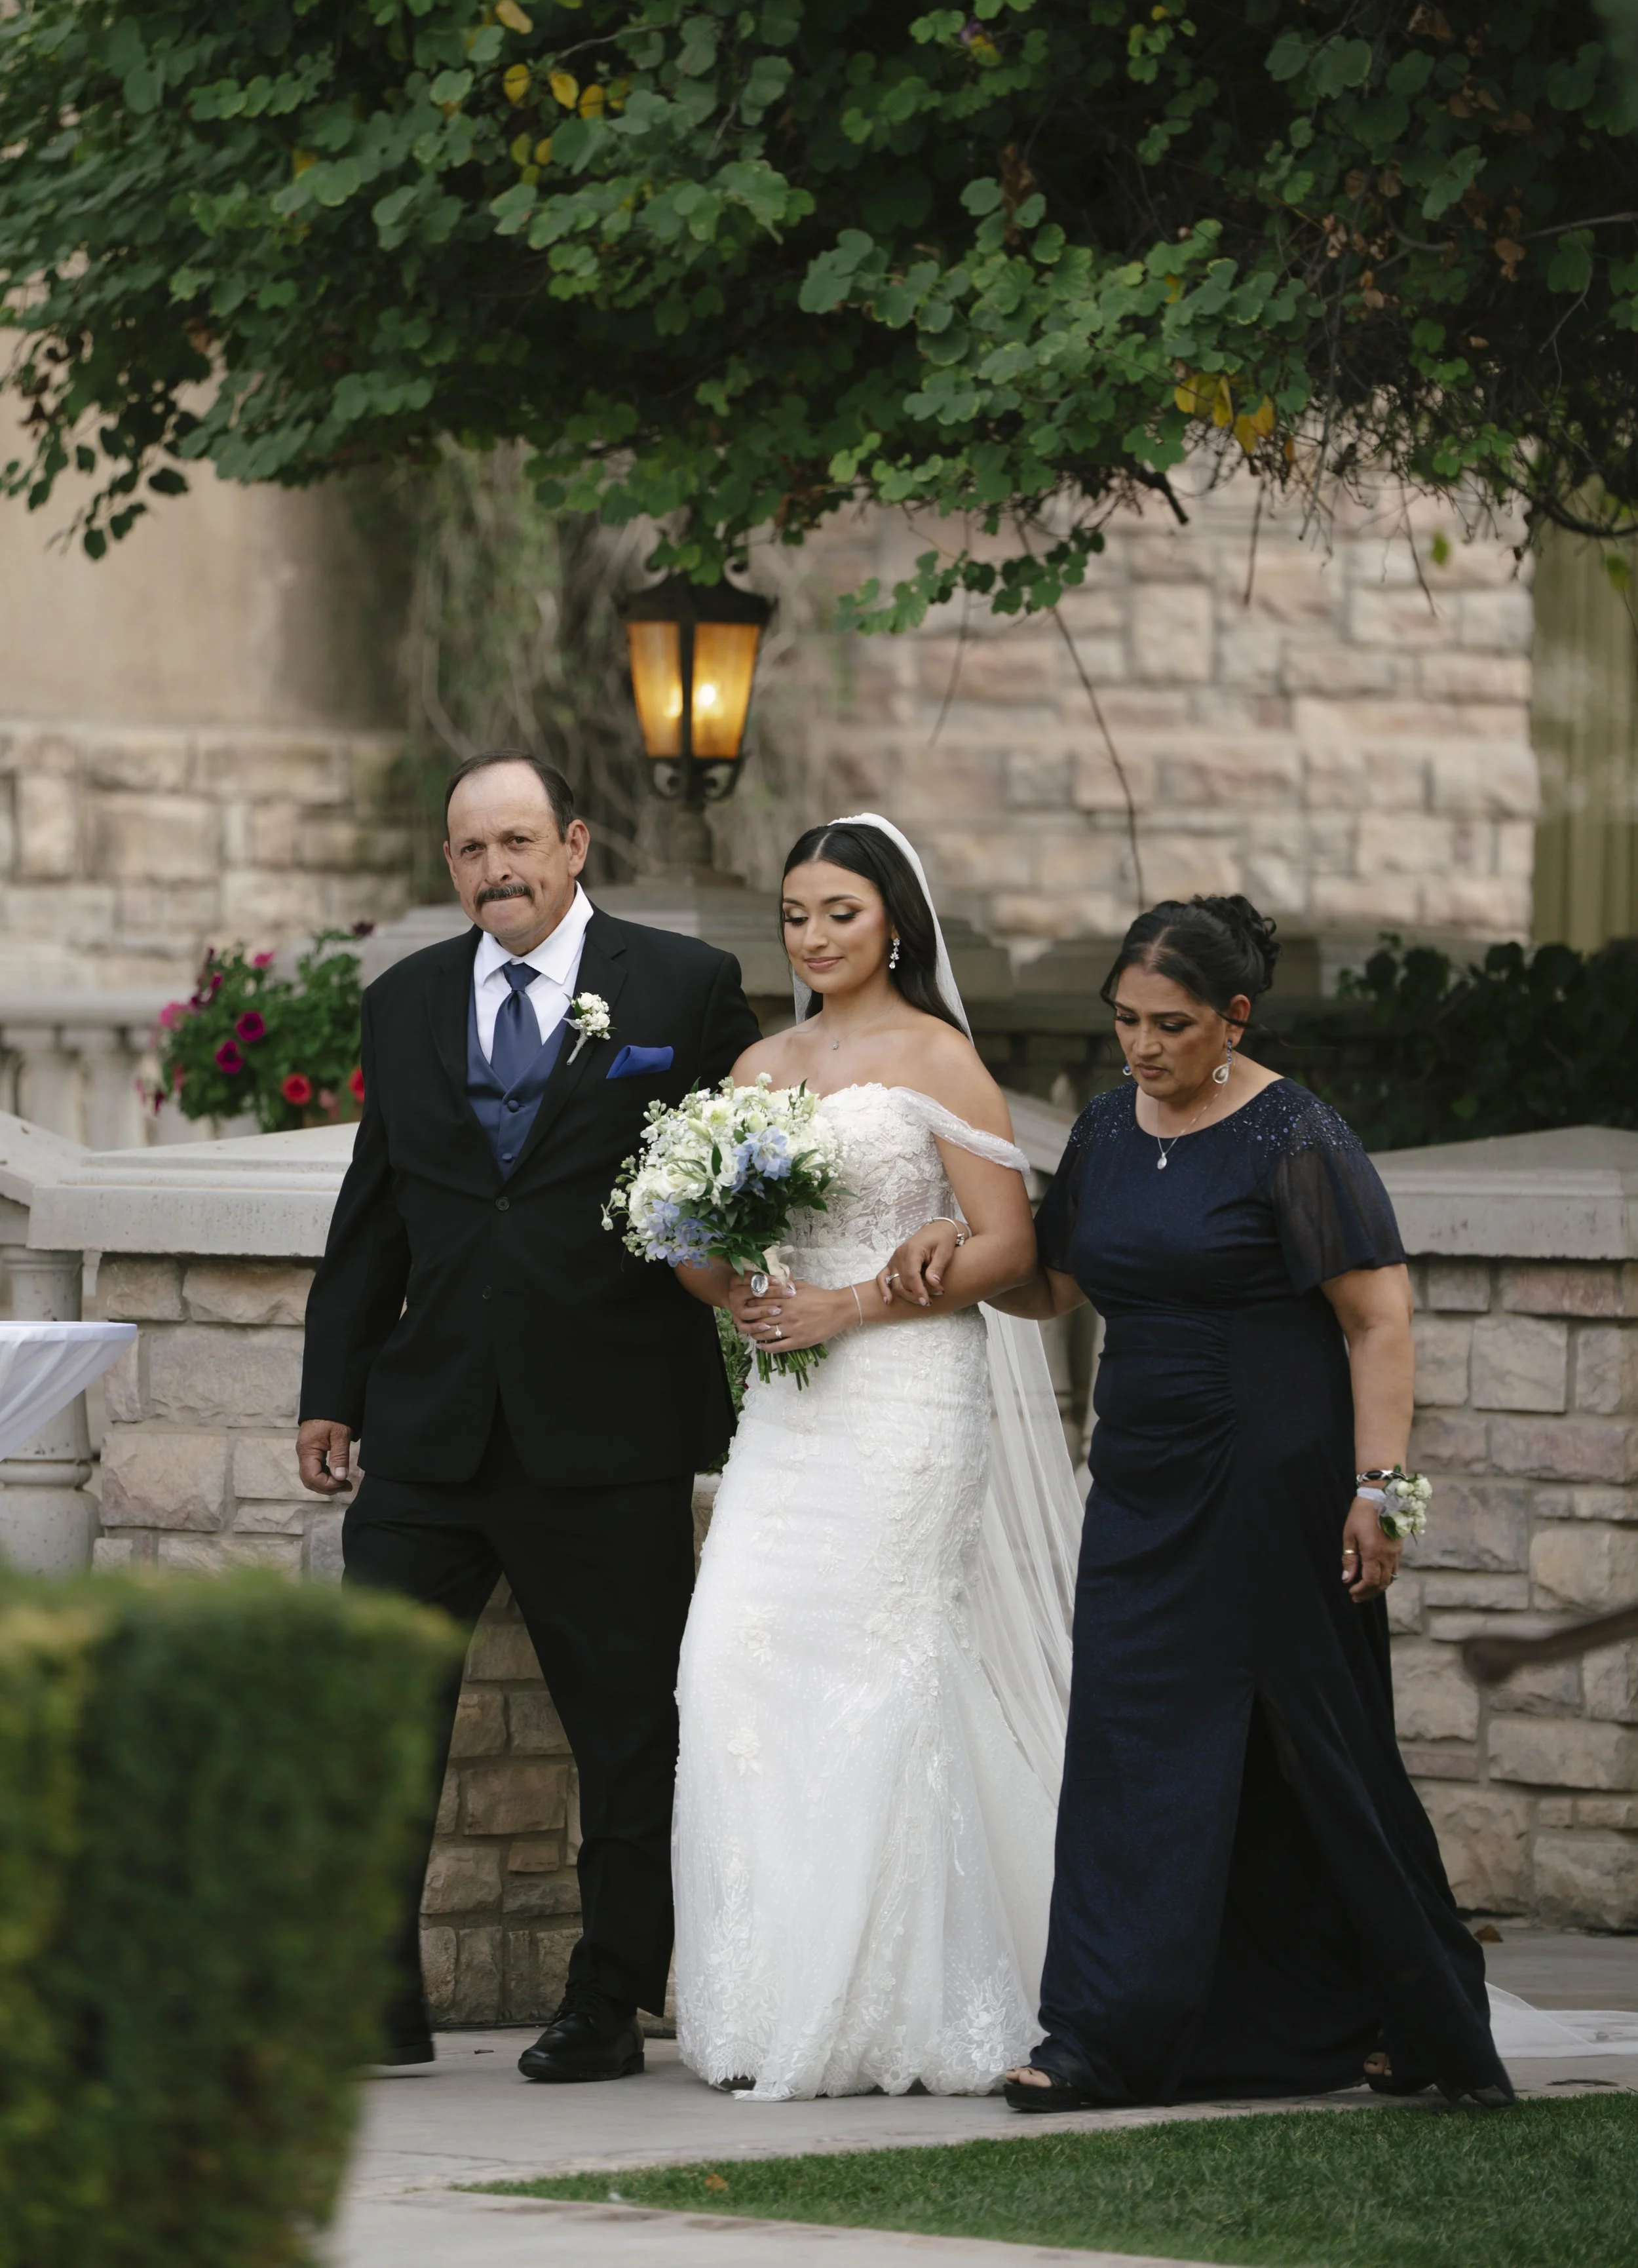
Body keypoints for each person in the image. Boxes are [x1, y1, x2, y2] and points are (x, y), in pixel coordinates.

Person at [890, 893, 1512, 2111]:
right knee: (1128, 1749)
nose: (1141, 1046)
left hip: (1274, 1480)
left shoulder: (1296, 1136)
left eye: (1169, 1024)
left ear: (1233, 1016)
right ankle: (1096, 2035)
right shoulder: (1113, 1131)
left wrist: (1383, 1491)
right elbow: (1059, 1281)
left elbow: (1379, 1322)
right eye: (1123, 1020)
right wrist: (946, 1254)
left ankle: (1414, 2012)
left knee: (1316, 1752)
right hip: (1141, 1481)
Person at [295, 751, 761, 2079]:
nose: (493, 868)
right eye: (467, 850)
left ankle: (607, 1999)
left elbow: (752, 1164)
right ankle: (374, 1999)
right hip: (427, 1427)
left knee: (626, 1731)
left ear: (573, 842)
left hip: (607, 1427)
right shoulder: (403, 1002)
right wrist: (332, 1391)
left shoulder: (681, 988)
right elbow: (373, 1216)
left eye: (515, 841)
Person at [668, 814, 1084, 2102]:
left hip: (903, 1398)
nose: (813, 937)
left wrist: (851, 1303)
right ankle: (771, 1994)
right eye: (795, 915)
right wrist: (715, 1263)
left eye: (838, 913)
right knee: (728, 1664)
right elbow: (709, 1265)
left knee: (881, 1674)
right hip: (788, 1414)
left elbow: (1011, 1249)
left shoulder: (936, 1058)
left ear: (891, 919)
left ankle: (905, 2000)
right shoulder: (756, 1064)